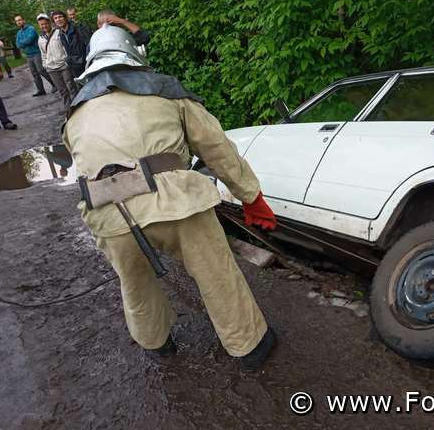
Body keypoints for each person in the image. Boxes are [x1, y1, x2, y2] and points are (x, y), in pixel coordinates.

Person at [62, 25, 277, 370]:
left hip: (109, 212)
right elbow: (216, 147)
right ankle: (249, 346)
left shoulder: (74, 113)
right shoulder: (165, 90)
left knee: (135, 283)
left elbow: (83, 162)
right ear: (134, 57)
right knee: (215, 273)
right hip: (175, 201)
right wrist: (250, 195)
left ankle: (156, 344)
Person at [37, 13, 78, 108]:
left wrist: (67, 61)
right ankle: (69, 110)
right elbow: (43, 54)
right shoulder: (40, 39)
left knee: (71, 87)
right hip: (51, 69)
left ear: (50, 23)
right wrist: (45, 65)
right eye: (42, 24)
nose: (44, 26)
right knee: (62, 91)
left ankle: (78, 106)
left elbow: (65, 47)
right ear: (39, 26)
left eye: (46, 23)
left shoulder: (58, 33)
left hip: (64, 66)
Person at [14, 14, 57, 96]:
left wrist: (22, 42)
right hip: (28, 55)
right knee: (34, 73)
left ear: (23, 20)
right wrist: (22, 43)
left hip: (36, 53)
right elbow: (18, 45)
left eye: (19, 20)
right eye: (17, 21)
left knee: (41, 70)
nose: (18, 22)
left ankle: (54, 84)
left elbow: (29, 40)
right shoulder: (19, 33)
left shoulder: (31, 29)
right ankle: (41, 90)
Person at [52, 10, 91, 78]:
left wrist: (87, 61)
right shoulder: (61, 34)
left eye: (60, 17)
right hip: (75, 66)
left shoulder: (79, 28)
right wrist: (68, 61)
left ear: (65, 18)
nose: (58, 20)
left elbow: (90, 44)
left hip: (87, 64)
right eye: (55, 18)